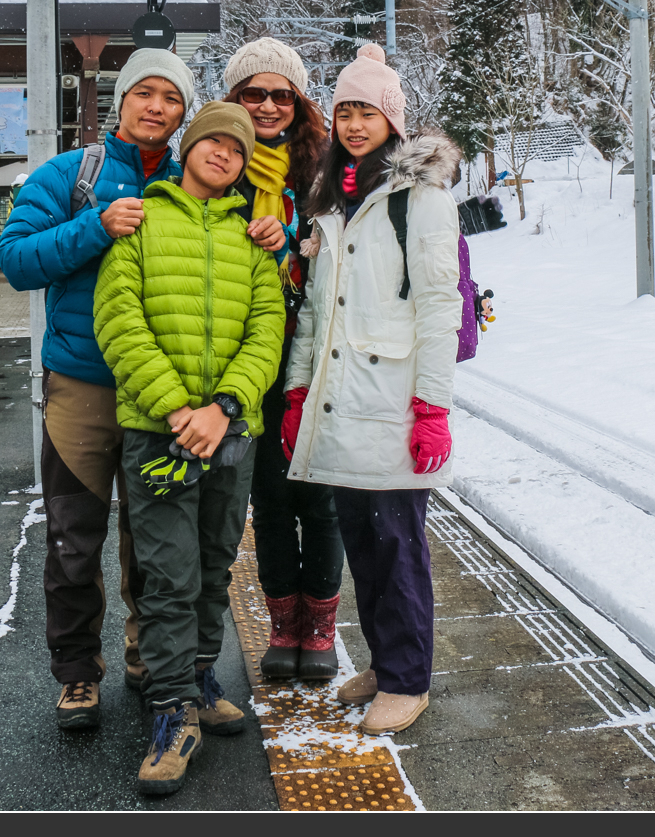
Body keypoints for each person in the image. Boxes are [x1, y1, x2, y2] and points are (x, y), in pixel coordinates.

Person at [0, 49, 286, 731]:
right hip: (87, 385)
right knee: (75, 534)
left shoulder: (213, 188)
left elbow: (254, 282)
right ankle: (76, 672)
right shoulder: (74, 174)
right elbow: (15, 258)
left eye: (171, 99)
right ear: (120, 101)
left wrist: (278, 235)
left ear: (186, 118)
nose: (156, 107)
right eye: (144, 93)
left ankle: (151, 660)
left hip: (177, 403)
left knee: (154, 544)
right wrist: (94, 225)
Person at [94, 101, 285, 795]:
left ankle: (200, 679)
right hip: (158, 431)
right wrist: (179, 408)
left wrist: (226, 405)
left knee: (212, 567)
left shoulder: (254, 239)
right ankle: (170, 709)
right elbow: (119, 321)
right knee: (168, 574)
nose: (225, 155)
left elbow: (267, 328)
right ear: (190, 148)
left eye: (237, 150)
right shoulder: (142, 220)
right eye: (213, 142)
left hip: (231, 432)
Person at [282, 43, 463, 736]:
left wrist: (432, 408)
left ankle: (410, 678)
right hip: (340, 402)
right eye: (345, 111)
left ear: (394, 118)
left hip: (392, 405)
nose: (355, 124)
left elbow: (440, 306)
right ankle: (388, 663)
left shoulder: (420, 198)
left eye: (368, 111)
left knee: (398, 545)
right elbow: (316, 313)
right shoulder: (332, 195)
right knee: (363, 542)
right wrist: (299, 395)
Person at [219, 38, 346, 682]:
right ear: (234, 101)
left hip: (315, 351)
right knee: (268, 498)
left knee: (319, 494)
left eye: (280, 95)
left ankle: (319, 625)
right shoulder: (216, 166)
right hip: (250, 353)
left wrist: (306, 242)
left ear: (299, 104)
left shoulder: (329, 170)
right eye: (253, 93)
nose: (267, 106)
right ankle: (283, 622)